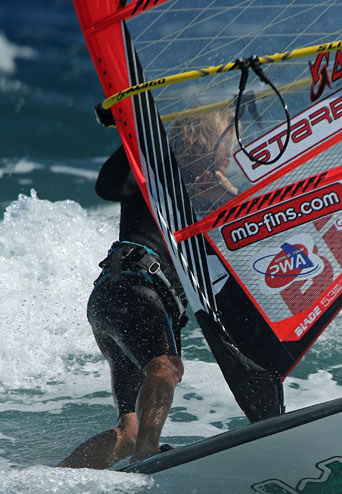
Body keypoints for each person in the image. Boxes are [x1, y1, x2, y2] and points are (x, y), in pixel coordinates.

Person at [59, 109, 237, 469]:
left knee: (128, 430)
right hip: (131, 291)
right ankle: (147, 455)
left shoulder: (214, 197)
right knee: (166, 367)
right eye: (227, 144)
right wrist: (135, 133)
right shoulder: (155, 177)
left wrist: (229, 200)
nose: (232, 154)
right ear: (203, 143)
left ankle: (55, 479)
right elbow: (107, 186)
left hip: (120, 301)